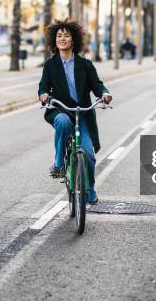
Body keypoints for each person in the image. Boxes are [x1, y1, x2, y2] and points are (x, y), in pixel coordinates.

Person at [38, 19, 112, 205]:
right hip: (61, 109)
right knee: (63, 122)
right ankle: (58, 164)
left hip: (83, 113)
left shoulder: (85, 64)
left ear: (74, 40)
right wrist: (44, 95)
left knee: (87, 153)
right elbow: (43, 86)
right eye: (59, 36)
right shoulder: (50, 65)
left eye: (67, 35)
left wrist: (104, 94)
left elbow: (97, 85)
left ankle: (90, 189)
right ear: (54, 40)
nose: (62, 38)